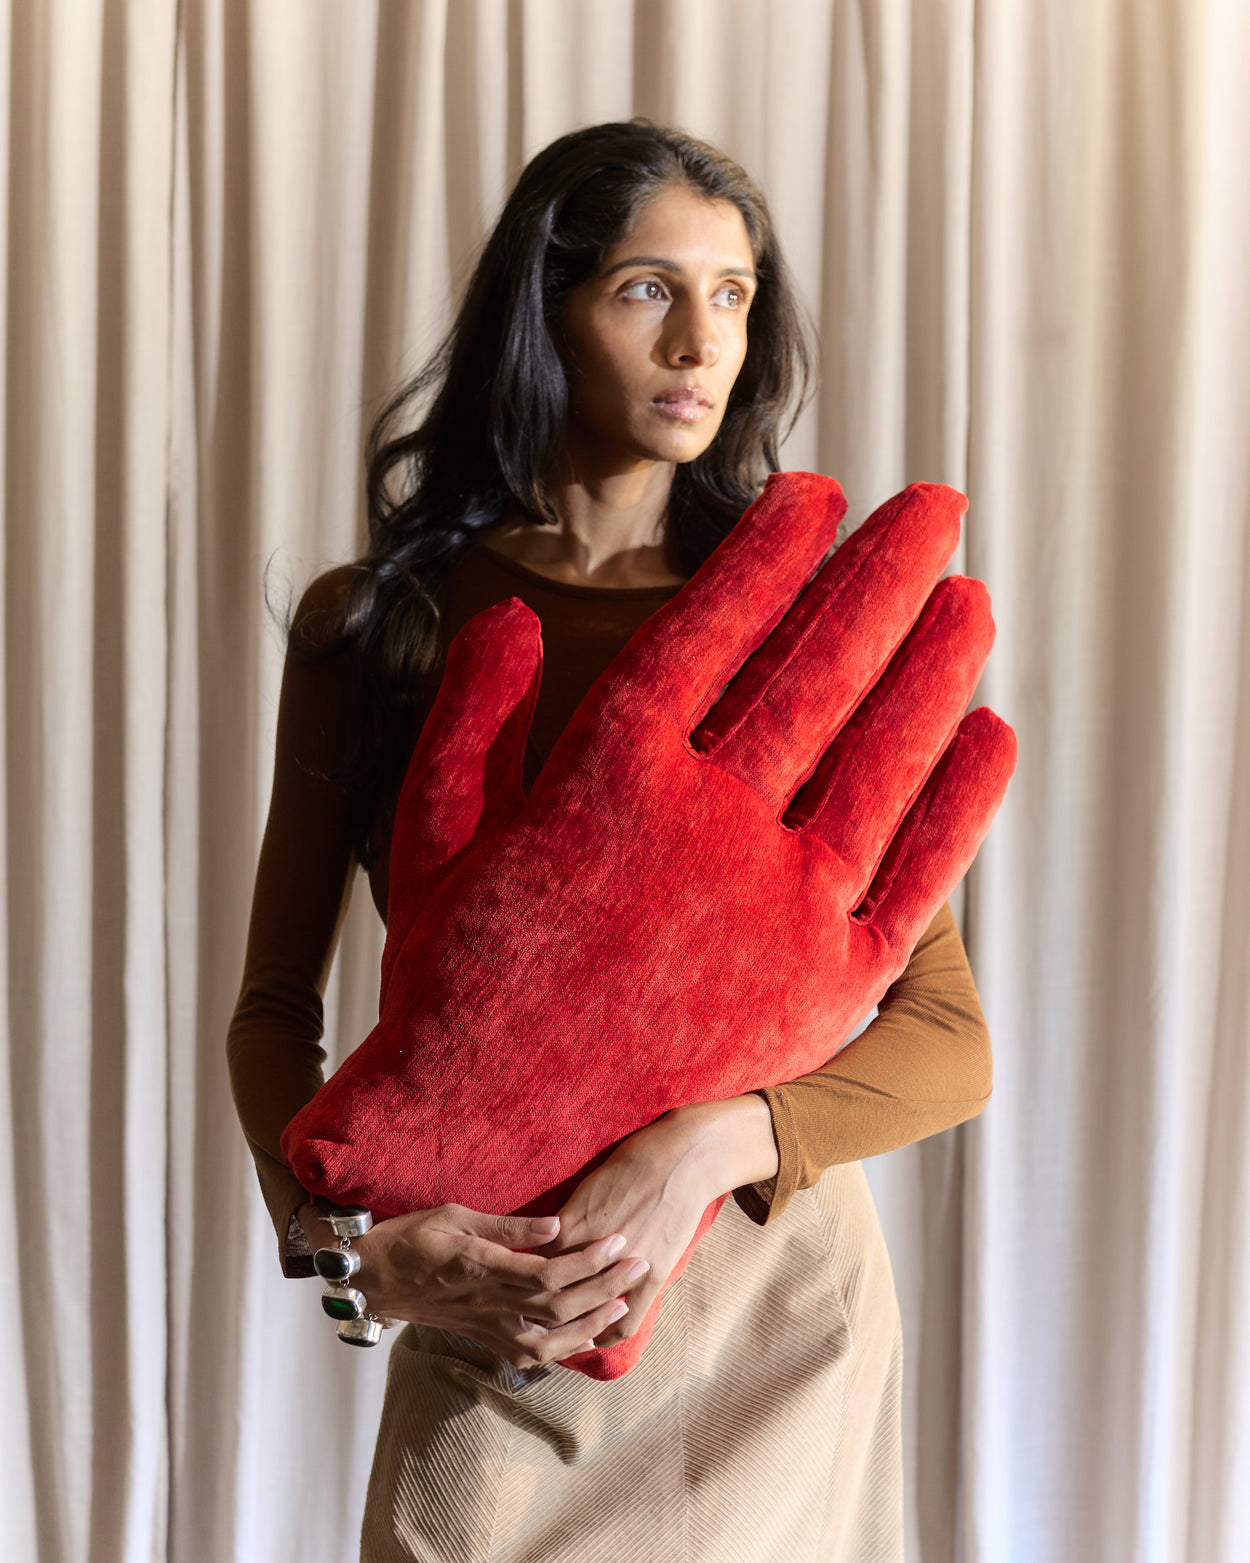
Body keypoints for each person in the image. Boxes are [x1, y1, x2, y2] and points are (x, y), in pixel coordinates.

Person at [226, 119, 992, 1562]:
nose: (702, 341)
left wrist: (706, 1146)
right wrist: (356, 1260)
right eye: (648, 288)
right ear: (546, 311)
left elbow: (948, 1035)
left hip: (771, 1312)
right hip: (501, 1297)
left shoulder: (797, 637)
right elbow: (274, 1012)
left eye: (733, 294)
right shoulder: (383, 622)